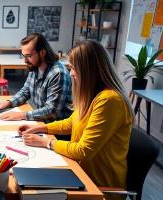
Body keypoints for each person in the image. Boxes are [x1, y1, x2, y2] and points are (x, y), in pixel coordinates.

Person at [18, 40, 133, 190]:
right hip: (79, 173)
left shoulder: (109, 100)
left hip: (97, 187)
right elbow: (70, 123)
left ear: (90, 69)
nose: (71, 73)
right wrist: (40, 128)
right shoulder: (92, 94)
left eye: (74, 68)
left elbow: (83, 151)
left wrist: (46, 142)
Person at [0, 33, 72, 124]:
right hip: (42, 122)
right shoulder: (35, 66)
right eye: (24, 56)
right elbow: (26, 91)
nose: (25, 61)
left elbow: (52, 111)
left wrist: (21, 115)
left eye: (29, 56)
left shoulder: (58, 73)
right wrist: (8, 103)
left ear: (42, 53)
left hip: (57, 128)